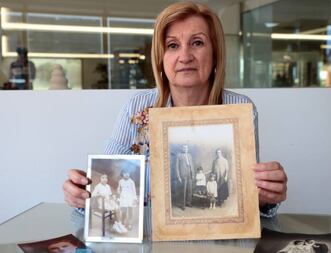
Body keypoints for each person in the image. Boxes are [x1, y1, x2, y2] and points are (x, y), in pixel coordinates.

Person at [63, 2, 287, 218]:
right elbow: (109, 184)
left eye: (197, 43)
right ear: (161, 58)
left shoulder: (240, 110)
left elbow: (245, 198)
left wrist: (266, 197)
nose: (185, 56)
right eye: (172, 45)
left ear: (216, 52)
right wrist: (82, 195)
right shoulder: (137, 107)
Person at [175, 144, 195, 210]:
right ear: (182, 148)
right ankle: (183, 205)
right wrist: (178, 177)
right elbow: (176, 167)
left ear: (188, 149)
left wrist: (193, 174)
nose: (185, 149)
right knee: (183, 190)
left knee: (190, 190)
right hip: (183, 175)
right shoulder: (179, 155)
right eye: (184, 148)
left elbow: (191, 165)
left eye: (186, 148)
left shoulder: (189, 155)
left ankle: (188, 203)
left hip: (190, 174)